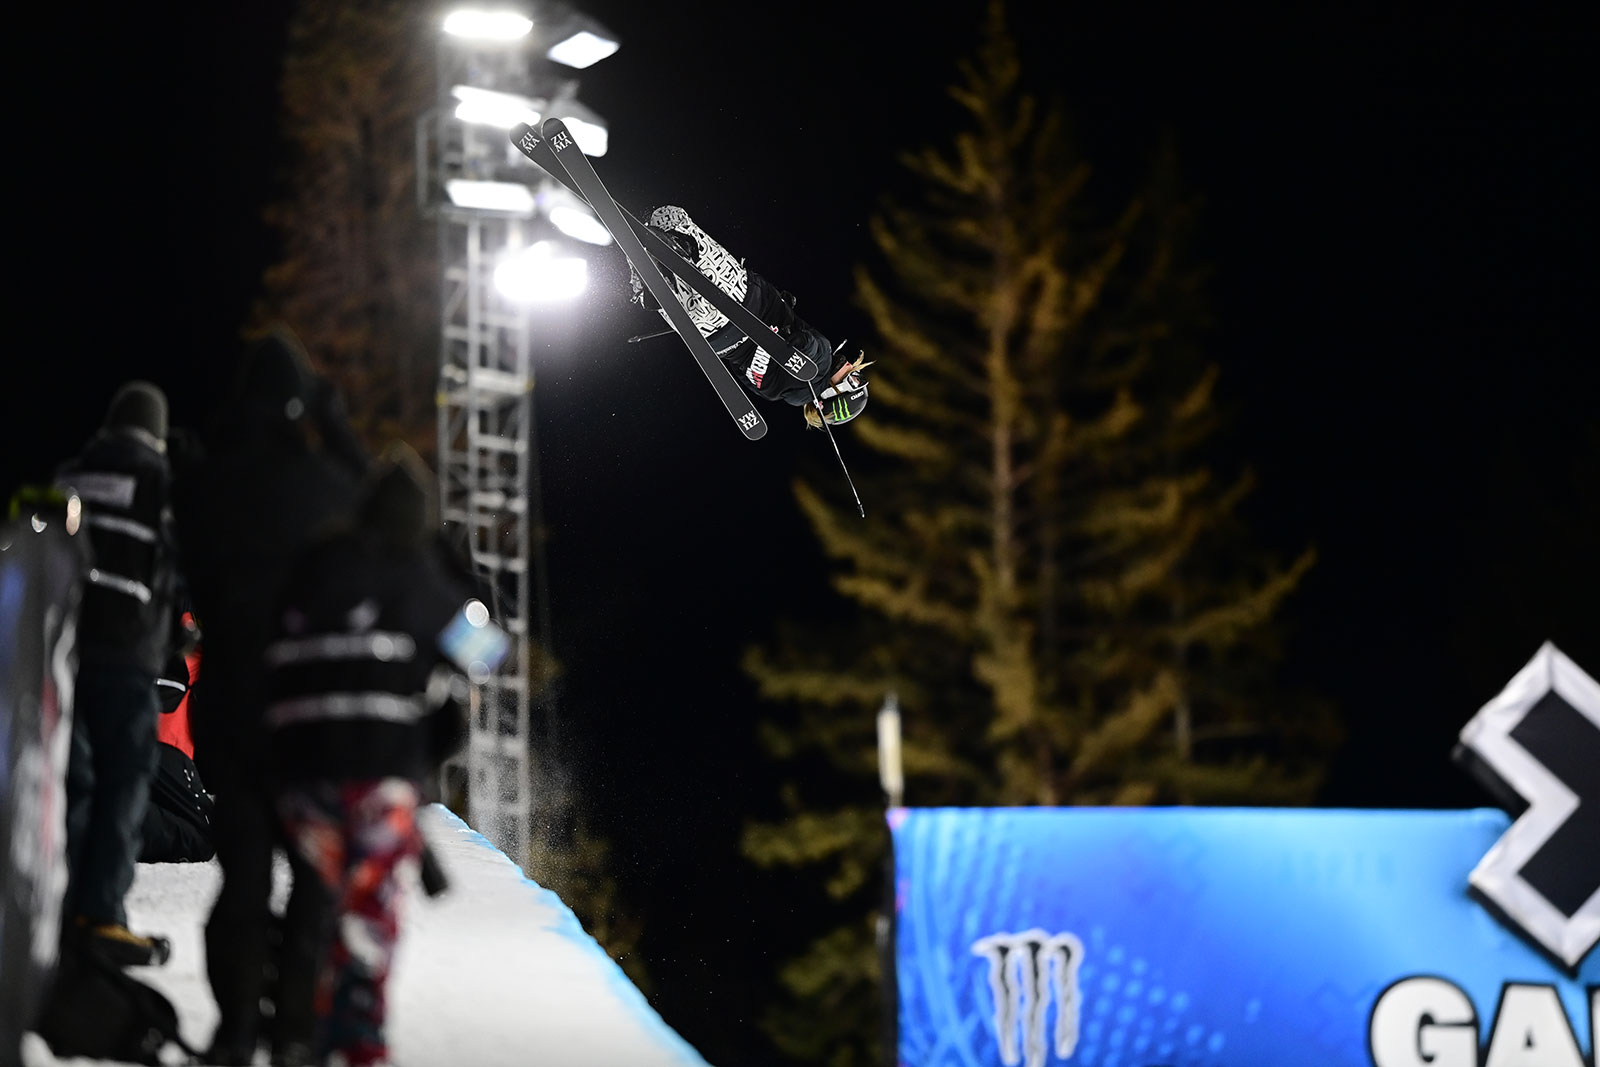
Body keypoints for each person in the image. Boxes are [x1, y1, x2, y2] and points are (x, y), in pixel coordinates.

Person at [171, 325, 366, 1065]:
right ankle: (292, 1031)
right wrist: (337, 424)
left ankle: (233, 1032)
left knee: (243, 876)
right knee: (316, 880)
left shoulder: (207, 482)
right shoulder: (323, 484)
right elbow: (383, 509)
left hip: (229, 704)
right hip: (306, 710)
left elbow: (186, 538)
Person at [265, 444, 476, 1067]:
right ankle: (358, 1041)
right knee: (370, 908)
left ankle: (304, 1023)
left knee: (321, 902)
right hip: (376, 770)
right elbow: (485, 653)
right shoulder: (415, 572)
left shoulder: (316, 563)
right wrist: (453, 575)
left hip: (300, 765)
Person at [53, 381, 181, 967]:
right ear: (155, 431)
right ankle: (101, 916)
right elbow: (175, 568)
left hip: (66, 655)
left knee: (73, 783)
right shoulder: (159, 482)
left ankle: (59, 910)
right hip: (128, 660)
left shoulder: (71, 476)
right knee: (123, 787)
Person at [630, 204, 872, 428]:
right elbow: (747, 373)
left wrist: (792, 331)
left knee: (669, 216)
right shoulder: (776, 394)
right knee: (658, 260)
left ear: (831, 396)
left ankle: (669, 252)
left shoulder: (821, 361)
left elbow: (804, 344)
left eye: (853, 380)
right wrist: (783, 310)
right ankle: (648, 282)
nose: (852, 368)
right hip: (707, 334)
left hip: (738, 296)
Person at [139, 644, 215, 863]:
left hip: (122, 736)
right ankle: (107, 817)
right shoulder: (192, 641)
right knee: (205, 836)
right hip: (163, 741)